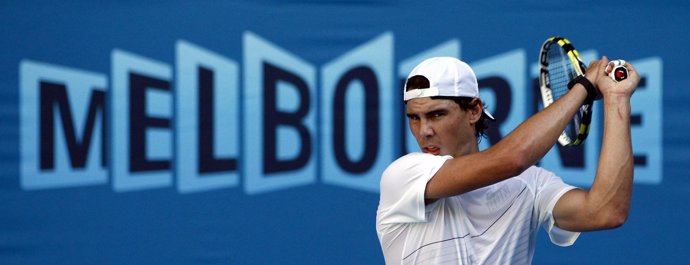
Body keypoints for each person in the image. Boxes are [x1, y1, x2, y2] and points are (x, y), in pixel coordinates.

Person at [376, 56, 639, 264]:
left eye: (436, 115)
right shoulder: (403, 176)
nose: (424, 131)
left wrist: (617, 98)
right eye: (414, 117)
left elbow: (606, 211)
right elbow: (513, 158)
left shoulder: (531, 184)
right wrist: (583, 87)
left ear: (474, 110)